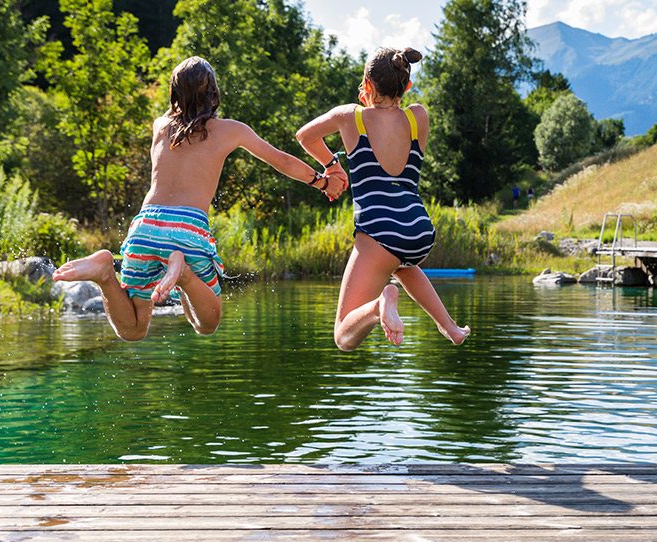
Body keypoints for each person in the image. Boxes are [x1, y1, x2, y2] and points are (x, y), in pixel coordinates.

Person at [52, 56, 346, 341]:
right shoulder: (231, 130)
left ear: (174, 93)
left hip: (145, 225)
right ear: (214, 93)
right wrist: (323, 182)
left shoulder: (160, 126)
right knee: (206, 324)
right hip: (187, 227)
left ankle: (105, 273)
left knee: (133, 330)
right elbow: (281, 161)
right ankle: (184, 275)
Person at [296, 47, 471, 350]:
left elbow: (305, 136)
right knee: (401, 264)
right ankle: (450, 327)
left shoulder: (351, 117)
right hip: (418, 228)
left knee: (342, 337)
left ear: (367, 86)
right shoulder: (418, 117)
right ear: (407, 86)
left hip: (378, 229)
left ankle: (379, 306)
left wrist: (333, 165)